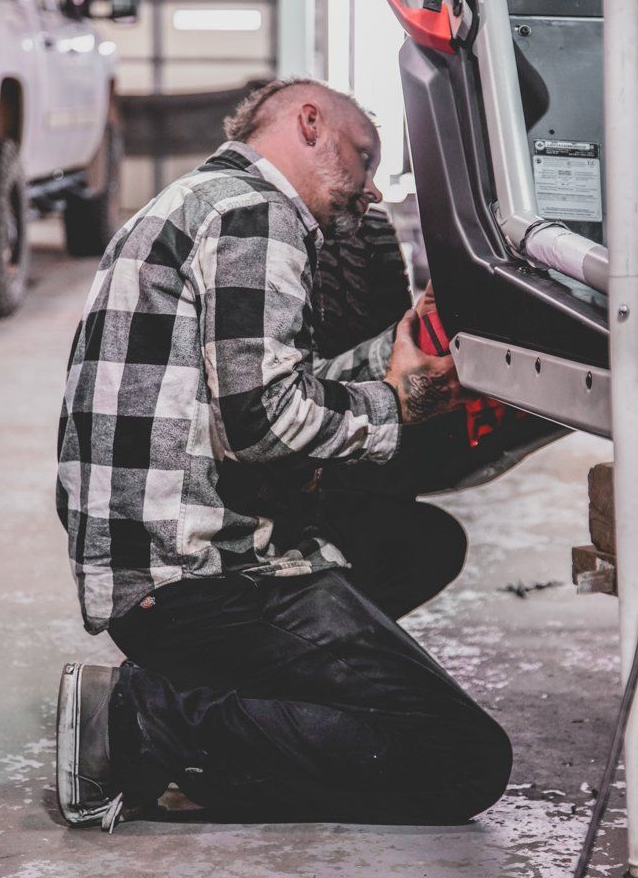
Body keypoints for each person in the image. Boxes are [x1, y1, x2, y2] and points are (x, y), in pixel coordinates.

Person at [55, 78, 512, 833]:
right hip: (199, 582)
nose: (368, 192)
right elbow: (262, 423)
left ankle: (211, 695)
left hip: (153, 570)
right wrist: (396, 407)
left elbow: (258, 385)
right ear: (308, 124)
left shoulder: (205, 203)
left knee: (415, 545)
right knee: (459, 757)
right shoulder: (256, 214)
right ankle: (139, 722)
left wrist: (392, 352)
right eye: (362, 161)